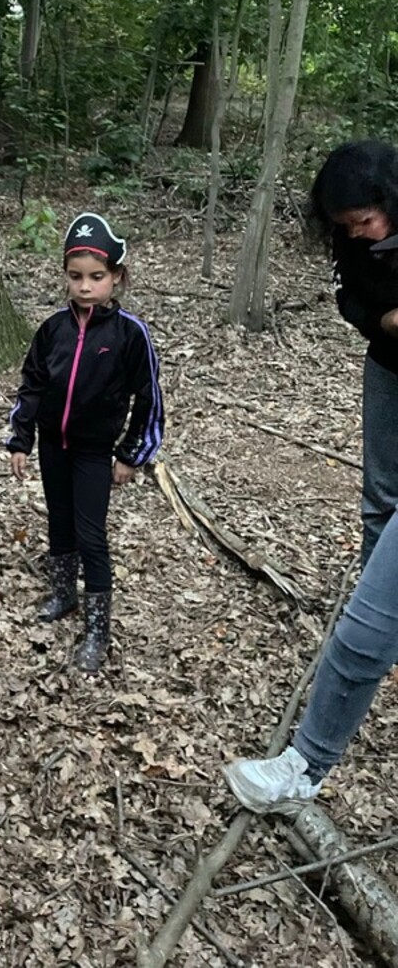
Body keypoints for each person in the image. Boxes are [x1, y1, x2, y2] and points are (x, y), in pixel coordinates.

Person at [225, 140, 398, 810]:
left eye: (367, 219)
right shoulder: (352, 246)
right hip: (389, 367)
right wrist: (384, 319)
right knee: (380, 506)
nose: (360, 233)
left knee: (363, 630)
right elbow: (351, 299)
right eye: (347, 224)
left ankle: (305, 767)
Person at [6, 212, 164, 673]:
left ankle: (98, 627)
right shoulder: (52, 329)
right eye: (76, 276)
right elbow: (32, 385)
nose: (85, 286)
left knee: (91, 535)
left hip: (95, 451)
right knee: (59, 521)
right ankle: (63, 594)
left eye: (97, 277)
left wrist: (131, 454)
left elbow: (148, 398)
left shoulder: (130, 334)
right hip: (53, 444)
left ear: (116, 277)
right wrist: (21, 439)